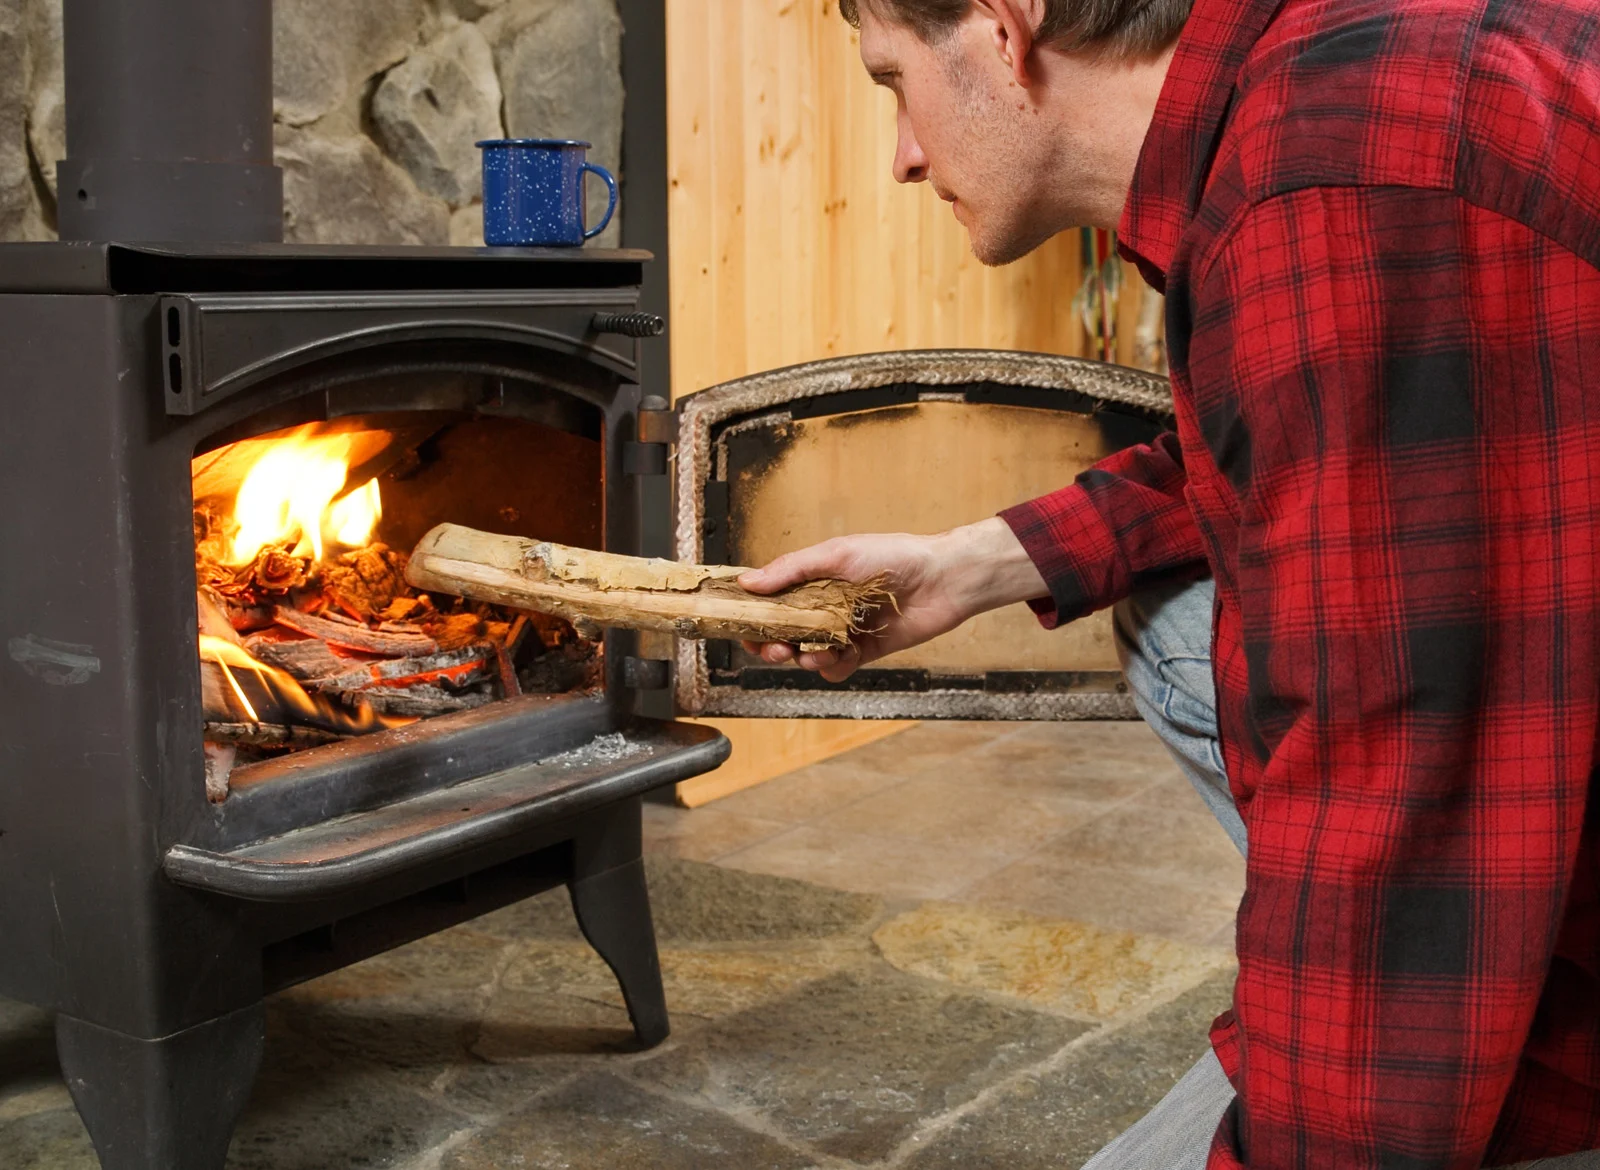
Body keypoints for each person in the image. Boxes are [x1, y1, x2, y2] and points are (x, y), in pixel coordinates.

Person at [736, 0, 1600, 1166]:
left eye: (892, 80)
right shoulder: (1324, 84)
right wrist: (970, 565)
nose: (899, 156)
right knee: (1177, 621)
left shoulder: (1336, 191)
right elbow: (1268, 456)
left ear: (1004, 27)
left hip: (1531, 967)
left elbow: (1400, 779)